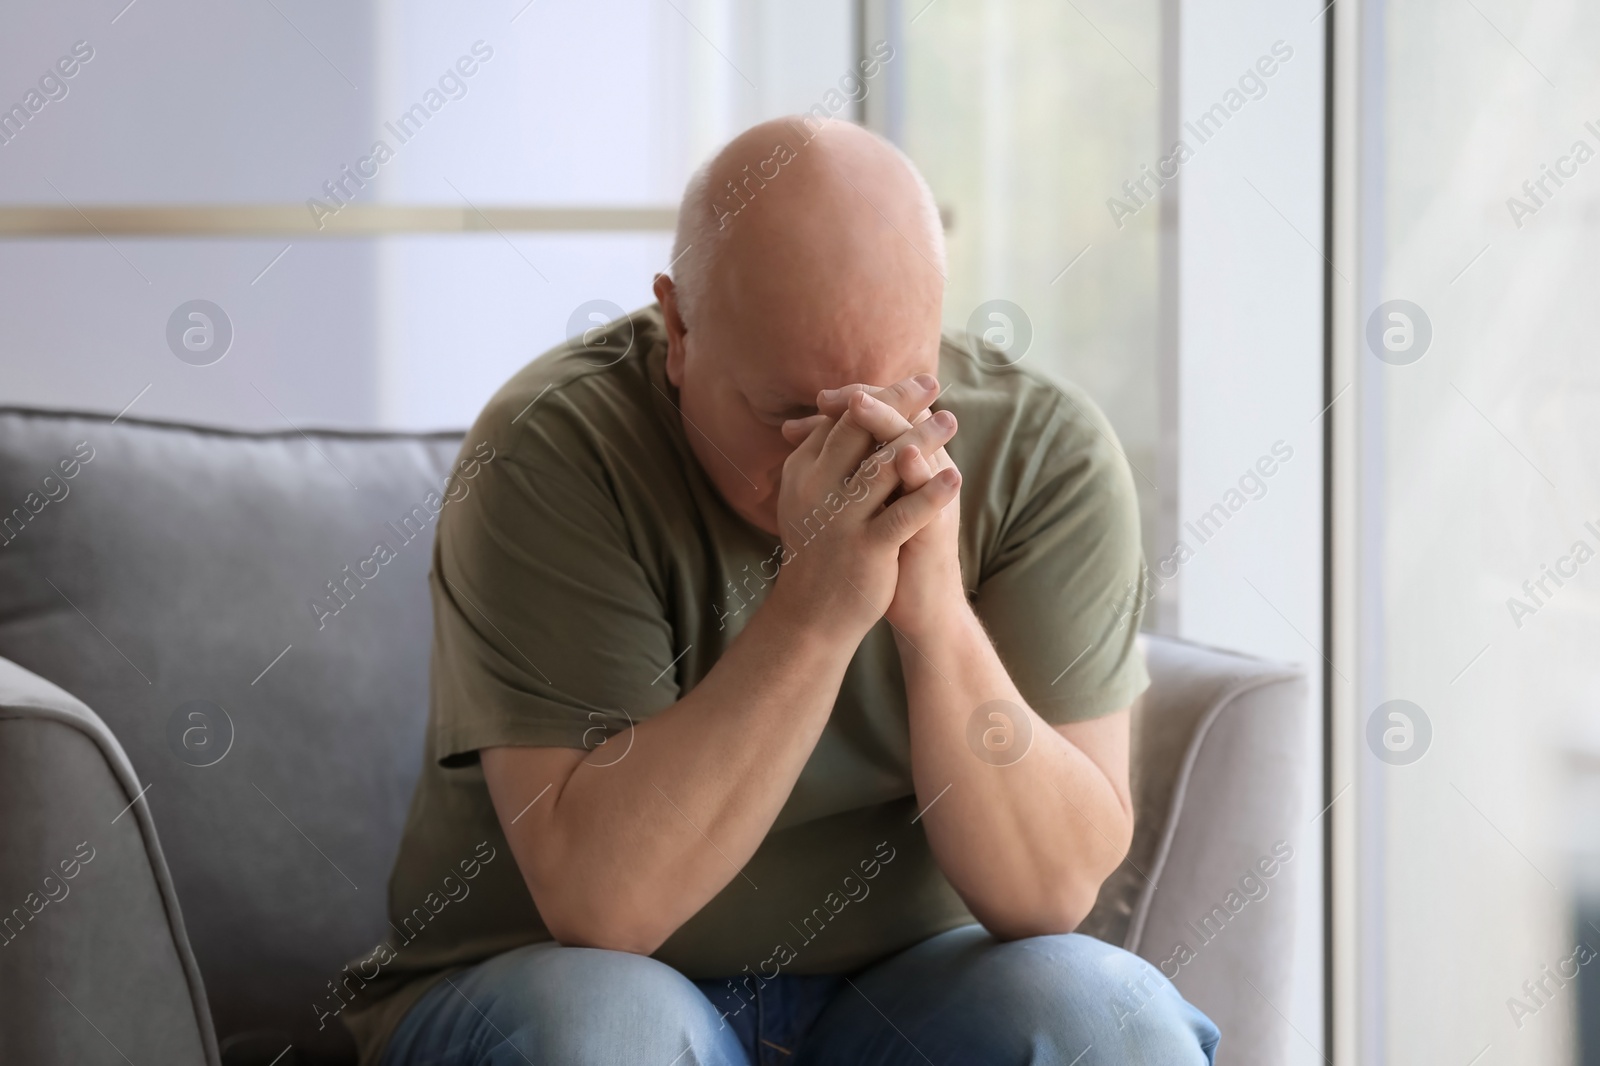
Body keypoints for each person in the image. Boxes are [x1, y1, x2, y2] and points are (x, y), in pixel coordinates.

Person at [342, 116, 1220, 1065]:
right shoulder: (553, 450)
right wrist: (817, 609)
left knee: (1107, 1018)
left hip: (906, 991)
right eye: (793, 416)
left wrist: (931, 616)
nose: (847, 463)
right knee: (610, 1034)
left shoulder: (1045, 454)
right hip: (554, 980)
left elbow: (1048, 895)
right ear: (678, 328)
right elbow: (606, 905)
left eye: (896, 402)